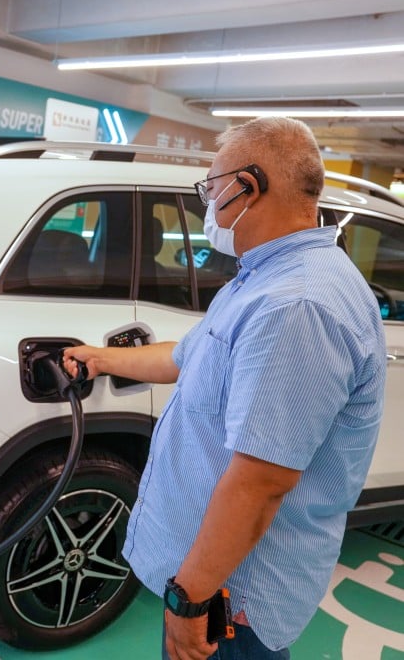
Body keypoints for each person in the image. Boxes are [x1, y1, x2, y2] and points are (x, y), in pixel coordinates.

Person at [63, 117, 386, 660]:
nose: (207, 204)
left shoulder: (296, 306)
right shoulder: (263, 279)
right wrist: (100, 358)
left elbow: (260, 482)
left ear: (248, 185)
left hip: (233, 605)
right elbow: (187, 356)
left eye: (211, 189)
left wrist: (190, 601)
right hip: (221, 586)